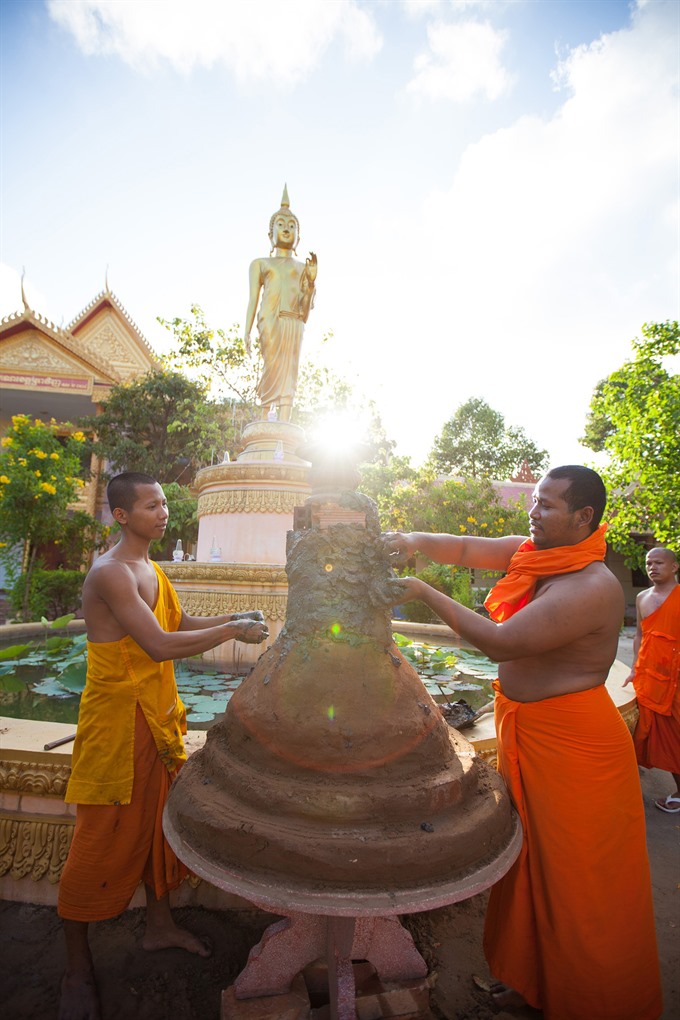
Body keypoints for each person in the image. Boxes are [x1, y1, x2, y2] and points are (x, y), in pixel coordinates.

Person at [384, 465, 661, 1020]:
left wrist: (420, 592)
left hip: (574, 746)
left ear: (584, 517)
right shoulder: (535, 554)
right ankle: (538, 985)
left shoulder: (590, 585)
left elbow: (500, 643)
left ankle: (591, 1002)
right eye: (534, 502)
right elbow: (463, 547)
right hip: (532, 732)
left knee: (577, 886)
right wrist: (412, 541)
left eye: (548, 505)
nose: (534, 513)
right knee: (531, 868)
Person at [58, 472, 269, 1020]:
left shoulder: (151, 568)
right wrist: (231, 635)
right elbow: (156, 645)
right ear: (122, 516)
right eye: (151, 505)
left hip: (155, 721)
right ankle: (76, 965)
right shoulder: (110, 573)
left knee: (156, 822)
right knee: (98, 833)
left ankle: (159, 924)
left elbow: (178, 622)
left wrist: (232, 617)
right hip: (117, 724)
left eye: (164, 504)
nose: (163, 512)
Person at [243, 184, 317, 421]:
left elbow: (305, 312)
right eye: (281, 225)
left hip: (293, 322)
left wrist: (312, 283)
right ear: (270, 234)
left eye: (292, 226)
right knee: (271, 368)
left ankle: (284, 424)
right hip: (270, 320)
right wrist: (246, 331)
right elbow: (253, 299)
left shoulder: (303, 268)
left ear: (298, 237)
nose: (287, 229)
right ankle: (265, 421)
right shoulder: (260, 264)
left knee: (289, 374)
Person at [624, 546, 680, 813]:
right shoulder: (642, 597)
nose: (652, 567)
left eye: (659, 563)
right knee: (645, 729)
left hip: (676, 680)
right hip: (649, 675)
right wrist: (635, 667)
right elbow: (639, 635)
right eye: (648, 563)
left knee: (676, 736)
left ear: (674, 567)